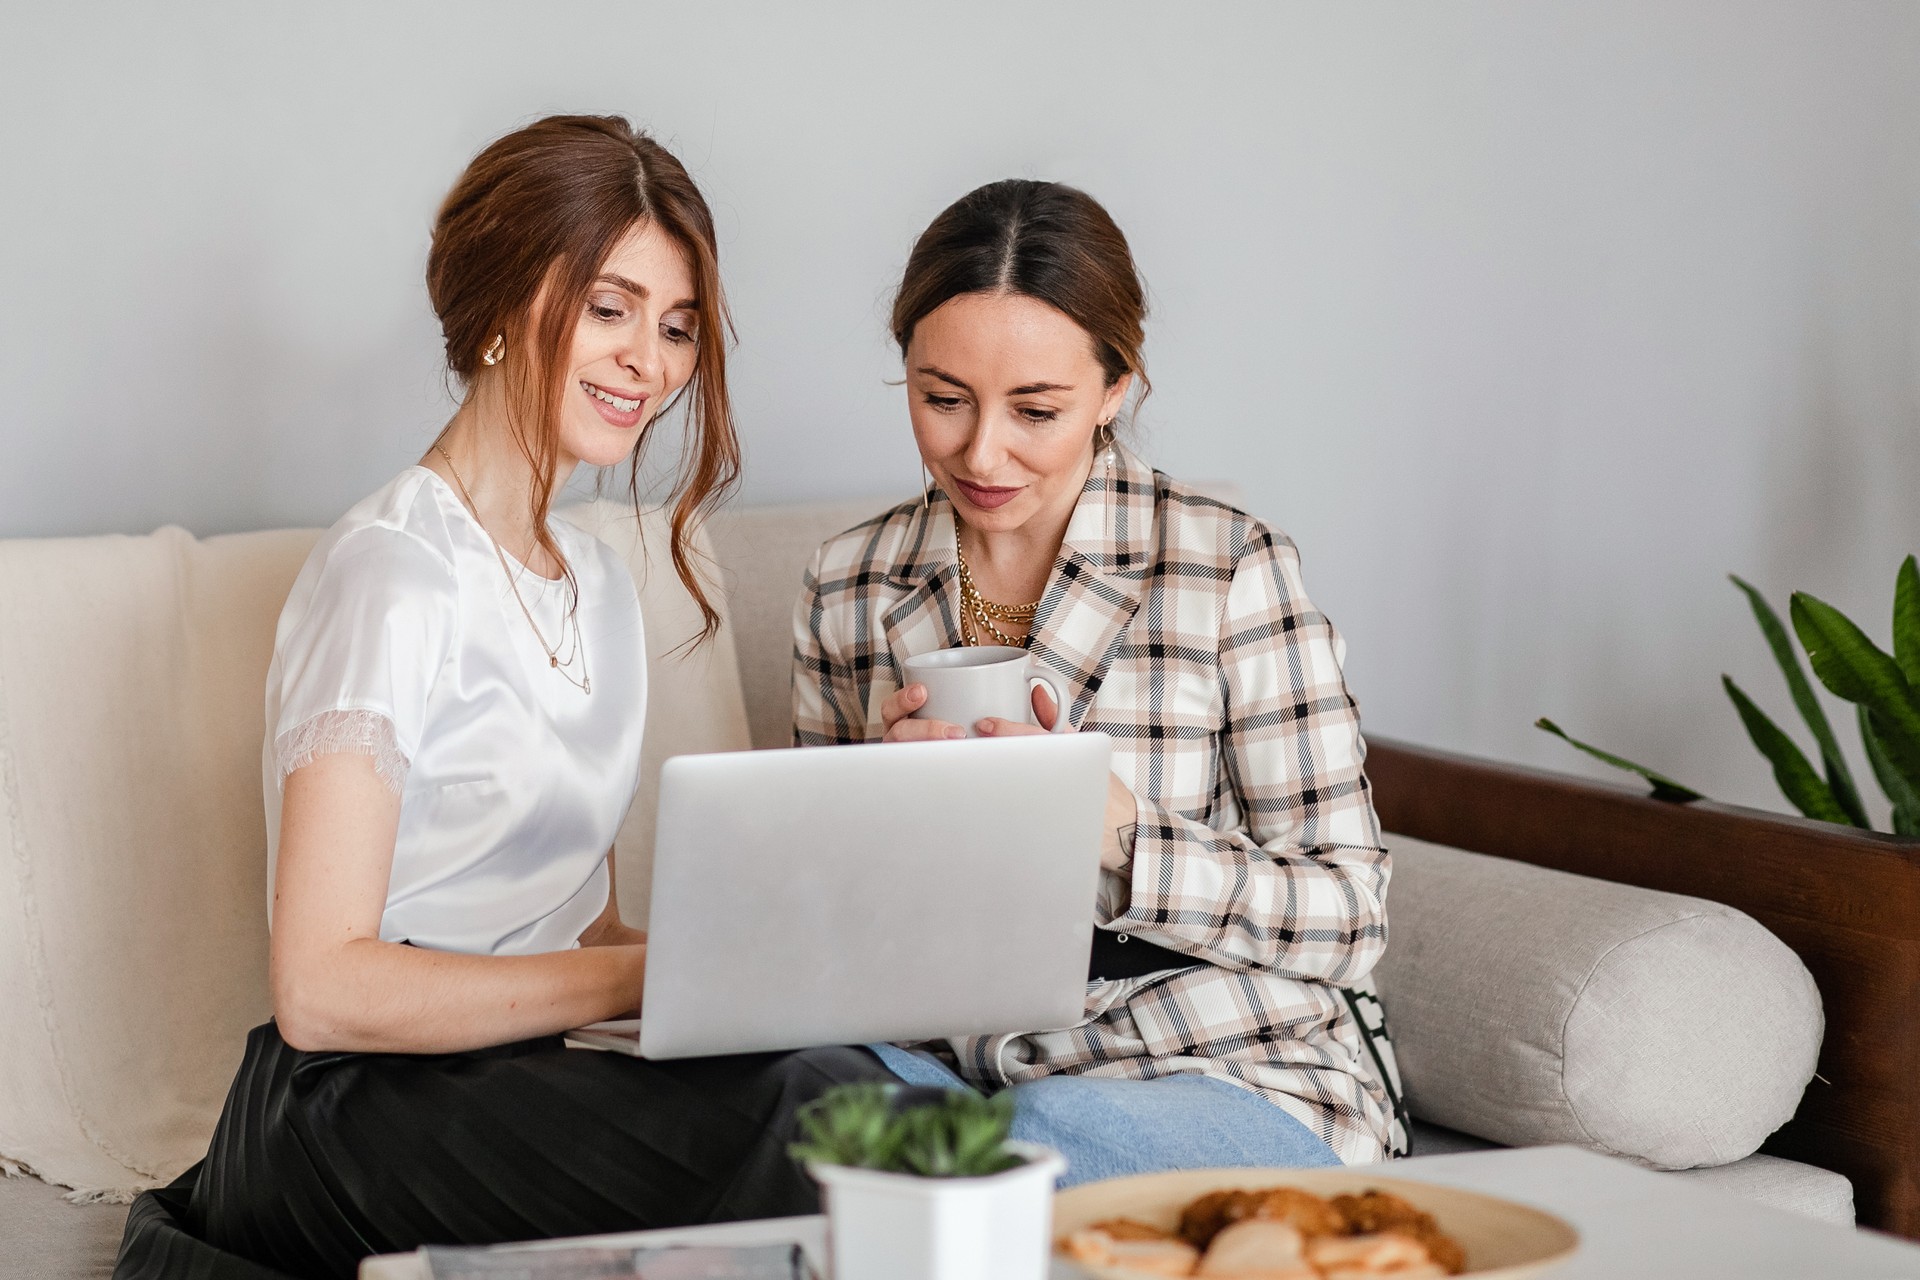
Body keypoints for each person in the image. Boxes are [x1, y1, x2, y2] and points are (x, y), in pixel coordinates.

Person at [114, 116, 895, 1280]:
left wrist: (746, 959)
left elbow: (576, 930)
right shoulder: (389, 570)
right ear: (499, 301)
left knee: (848, 1076)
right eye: (610, 306)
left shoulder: (600, 583)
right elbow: (322, 987)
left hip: (526, 1061)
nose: (651, 360)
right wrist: (648, 971)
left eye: (677, 326)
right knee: (815, 1114)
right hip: (350, 1102)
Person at [792, 179, 1408, 1184]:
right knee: (787, 1103)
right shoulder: (850, 584)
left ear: (1117, 387)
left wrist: (1120, 833)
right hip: (951, 1060)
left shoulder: (1226, 568)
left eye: (1036, 409)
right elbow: (815, 929)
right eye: (942, 398)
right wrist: (873, 808)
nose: (981, 451)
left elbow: (1347, 913)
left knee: (1040, 1136)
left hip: (1221, 1061)